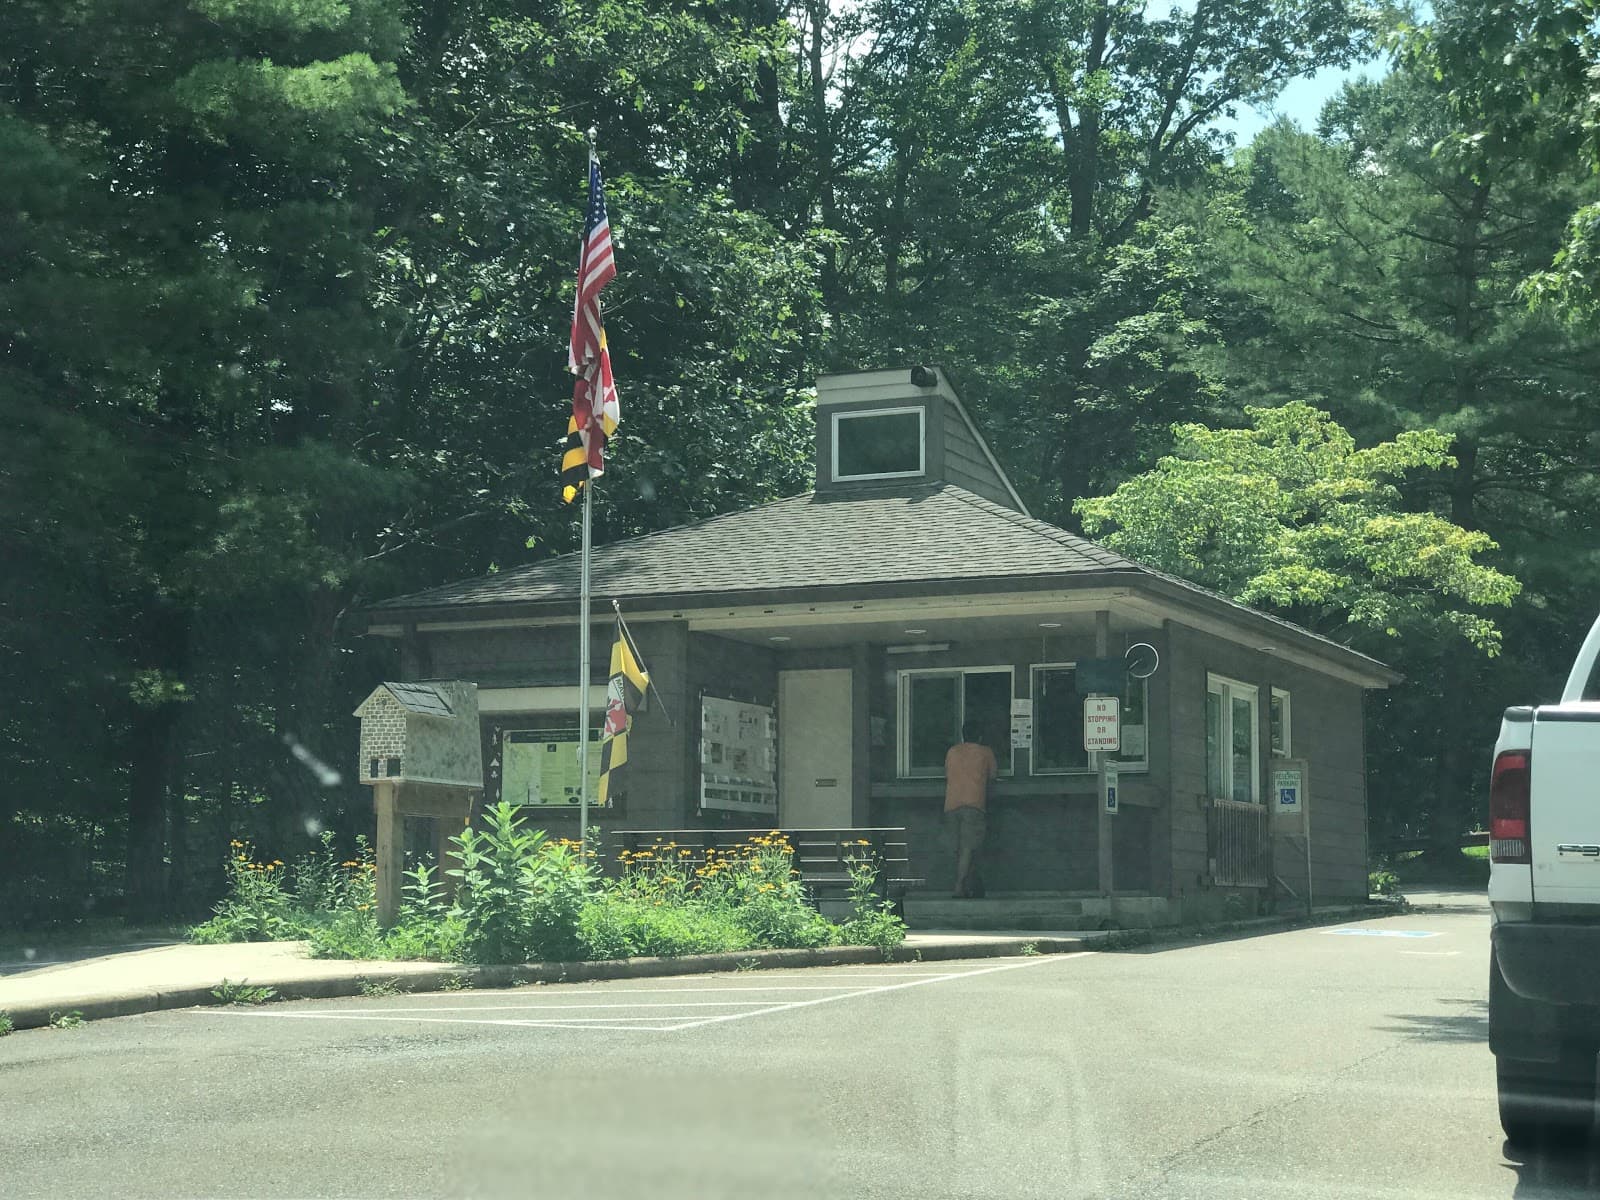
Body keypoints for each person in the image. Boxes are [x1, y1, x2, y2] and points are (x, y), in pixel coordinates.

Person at [944, 721, 997, 899]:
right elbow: (993, 776)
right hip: (974, 803)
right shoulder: (985, 752)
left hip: (951, 804)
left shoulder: (952, 752)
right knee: (969, 847)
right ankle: (960, 886)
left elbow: (947, 774)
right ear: (980, 736)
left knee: (958, 848)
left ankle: (968, 885)